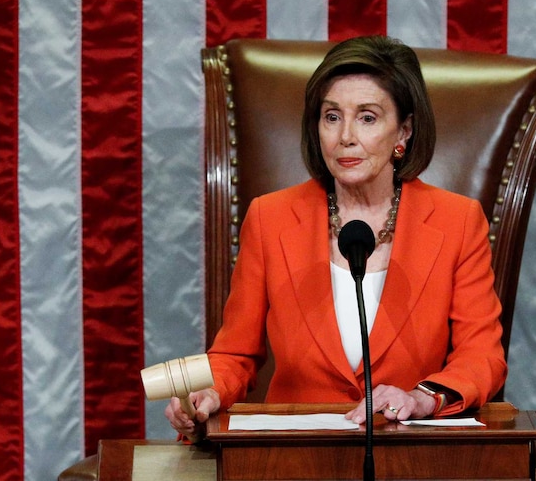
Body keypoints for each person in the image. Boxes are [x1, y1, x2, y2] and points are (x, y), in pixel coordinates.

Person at [166, 35, 507, 438]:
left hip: (407, 450)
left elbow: (481, 354)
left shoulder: (458, 221)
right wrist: (210, 391)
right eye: (332, 116)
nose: (346, 135)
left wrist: (423, 398)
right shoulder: (270, 218)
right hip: (293, 458)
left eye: (367, 117)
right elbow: (235, 354)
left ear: (404, 132)